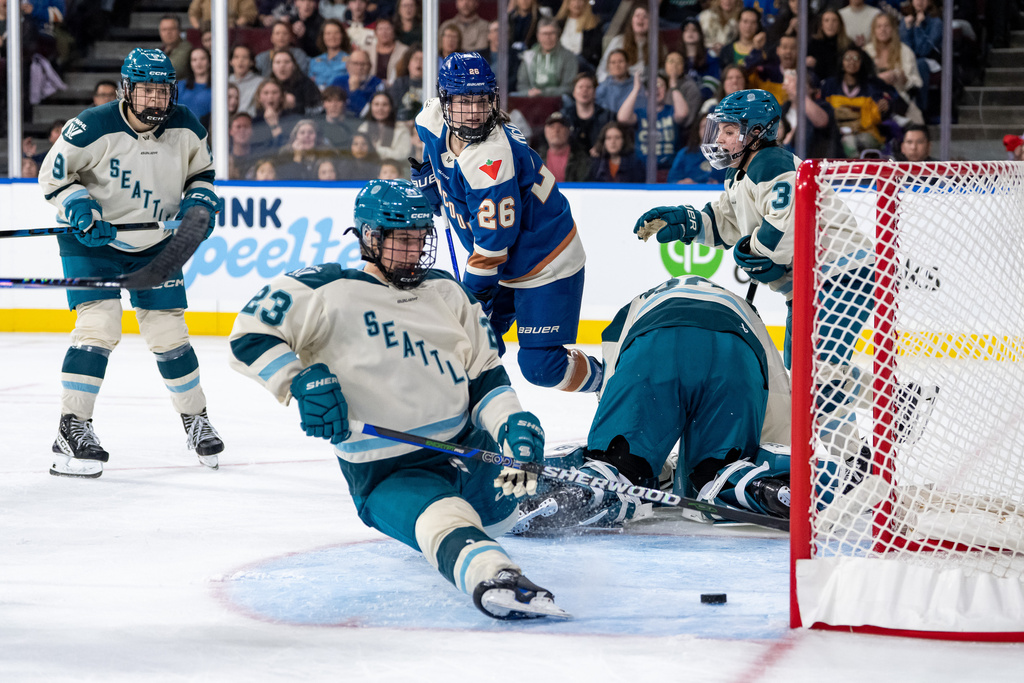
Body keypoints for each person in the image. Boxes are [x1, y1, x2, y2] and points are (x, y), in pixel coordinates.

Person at [227, 179, 568, 620]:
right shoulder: (326, 288)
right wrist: (299, 381)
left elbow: (484, 375)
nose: (414, 251)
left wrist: (512, 426)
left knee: (551, 496)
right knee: (445, 521)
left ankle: (622, 482)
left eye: (421, 239)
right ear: (370, 236)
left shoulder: (448, 292)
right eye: (402, 240)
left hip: (474, 452)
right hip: (392, 470)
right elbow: (249, 336)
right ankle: (497, 577)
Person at [37, 48, 224, 478]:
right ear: (127, 89)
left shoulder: (187, 126)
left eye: (163, 92)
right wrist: (82, 211)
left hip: (156, 244)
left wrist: (199, 205)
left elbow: (202, 176)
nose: (156, 101)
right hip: (92, 244)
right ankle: (72, 427)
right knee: (99, 327)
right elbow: (53, 176)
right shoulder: (91, 126)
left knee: (169, 333)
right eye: (146, 92)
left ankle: (196, 420)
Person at [513, 275, 793, 534]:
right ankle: (759, 486)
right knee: (714, 475)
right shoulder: (749, 312)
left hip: (653, 346)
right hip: (735, 355)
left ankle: (586, 492)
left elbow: (617, 393)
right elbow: (778, 395)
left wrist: (634, 461)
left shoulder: (630, 310)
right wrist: (766, 457)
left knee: (620, 463)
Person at [414, 52, 601, 393]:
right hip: (504, 260)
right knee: (470, 348)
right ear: (444, 100)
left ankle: (613, 383)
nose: (473, 112)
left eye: (481, 100)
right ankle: (468, 416)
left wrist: (475, 298)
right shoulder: (431, 118)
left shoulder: (491, 158)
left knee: (542, 367)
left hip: (545, 259)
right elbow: (431, 146)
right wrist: (433, 176)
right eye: (462, 101)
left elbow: (492, 247)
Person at [617, 69, 689, 171]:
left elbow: (683, 114)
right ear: (646, 93)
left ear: (666, 90)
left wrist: (673, 86)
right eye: (652, 86)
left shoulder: (672, 111)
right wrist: (636, 89)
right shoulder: (640, 113)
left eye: (660, 85)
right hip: (642, 171)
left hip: (670, 169)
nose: (656, 88)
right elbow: (622, 118)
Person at [864, 12, 924, 125]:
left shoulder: (905, 51)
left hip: (898, 98)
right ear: (874, 30)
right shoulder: (866, 51)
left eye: (886, 26)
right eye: (879, 26)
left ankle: (895, 119)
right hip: (870, 98)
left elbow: (918, 83)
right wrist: (879, 79)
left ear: (893, 29)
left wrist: (904, 79)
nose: (883, 30)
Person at [514, 17, 578, 98]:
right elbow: (522, 85)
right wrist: (529, 92)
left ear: (558, 34)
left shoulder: (568, 57)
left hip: (558, 98)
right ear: (538, 36)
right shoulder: (528, 55)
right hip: (532, 97)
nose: (548, 37)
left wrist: (543, 92)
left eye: (552, 33)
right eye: (544, 34)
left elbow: (568, 87)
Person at [560, 72, 613, 156]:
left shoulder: (606, 116)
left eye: (588, 87)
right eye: (580, 87)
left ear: (594, 92)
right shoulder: (564, 115)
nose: (584, 90)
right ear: (574, 92)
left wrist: (602, 147)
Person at [329, 48, 386, 117]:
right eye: (355, 64)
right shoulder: (338, 81)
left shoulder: (378, 84)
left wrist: (355, 91)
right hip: (341, 122)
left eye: (363, 64)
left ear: (370, 66)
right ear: (347, 66)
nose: (359, 68)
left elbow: (369, 113)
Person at [536, 111, 591, 182]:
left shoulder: (582, 159)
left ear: (569, 131)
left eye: (561, 126)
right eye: (552, 127)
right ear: (545, 131)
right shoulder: (535, 158)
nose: (556, 130)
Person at [358, 91, 412, 162]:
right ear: (371, 107)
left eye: (385, 105)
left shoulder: (401, 129)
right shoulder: (364, 127)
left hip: (393, 169)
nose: (380, 108)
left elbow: (403, 155)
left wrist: (376, 150)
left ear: (391, 108)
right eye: (376, 104)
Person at [307, 18, 351, 89]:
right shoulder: (314, 61)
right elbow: (309, 86)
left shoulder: (350, 61)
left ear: (342, 36)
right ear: (323, 37)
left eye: (336, 33)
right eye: (328, 33)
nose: (332, 37)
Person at [317, 85, 359, 149]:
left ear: (344, 103)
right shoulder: (317, 125)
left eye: (337, 101)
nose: (333, 105)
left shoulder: (355, 124)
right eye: (329, 101)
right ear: (324, 104)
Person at [177, 47, 212, 120]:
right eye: (194, 60)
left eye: (202, 58)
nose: (199, 63)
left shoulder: (217, 88)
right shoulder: (180, 86)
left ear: (209, 62)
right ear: (190, 64)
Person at [229, 44, 263, 116]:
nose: (240, 61)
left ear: (251, 62)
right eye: (236, 57)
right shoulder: (224, 82)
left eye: (245, 57)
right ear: (231, 61)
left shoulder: (261, 83)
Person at [158, 14, 192, 81]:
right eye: (164, 29)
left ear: (179, 31)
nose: (168, 32)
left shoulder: (187, 48)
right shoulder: (161, 51)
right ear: (160, 32)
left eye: (172, 29)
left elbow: (173, 70)